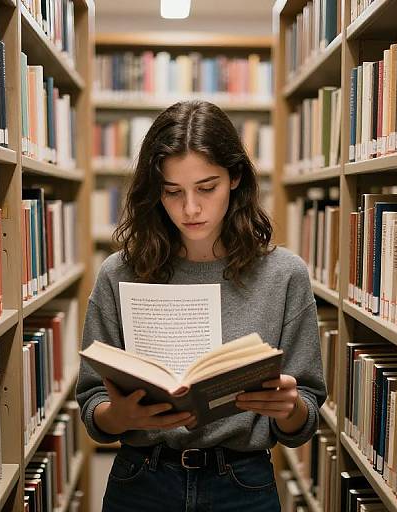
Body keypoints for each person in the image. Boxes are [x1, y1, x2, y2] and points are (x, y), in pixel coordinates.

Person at [76, 100, 327, 511]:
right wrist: (120, 417)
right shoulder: (118, 273)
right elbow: (91, 406)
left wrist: (290, 408)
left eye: (206, 188)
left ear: (235, 178)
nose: (190, 208)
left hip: (242, 482)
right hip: (143, 479)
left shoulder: (284, 275)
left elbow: (304, 420)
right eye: (172, 192)